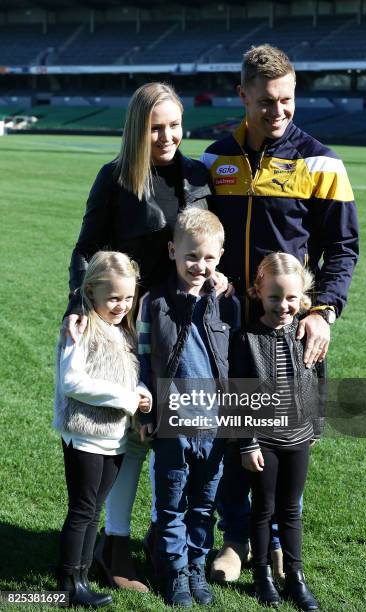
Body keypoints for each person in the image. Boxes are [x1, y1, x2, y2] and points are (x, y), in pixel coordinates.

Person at [201, 44, 359, 581]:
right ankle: (235, 541)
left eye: (287, 100)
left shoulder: (321, 161)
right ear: (242, 95)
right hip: (227, 328)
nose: (278, 112)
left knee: (281, 440)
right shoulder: (214, 158)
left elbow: (342, 249)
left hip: (289, 331)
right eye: (266, 101)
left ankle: (269, 546)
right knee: (232, 437)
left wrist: (323, 311)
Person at [63, 82, 217, 591]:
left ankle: (163, 534)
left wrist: (221, 279)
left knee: (181, 435)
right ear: (137, 129)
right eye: (156, 128)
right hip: (129, 326)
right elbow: (87, 249)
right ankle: (115, 546)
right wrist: (80, 306)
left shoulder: (197, 174)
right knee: (131, 435)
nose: (168, 136)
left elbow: (206, 239)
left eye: (174, 125)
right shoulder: (113, 179)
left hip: (188, 327)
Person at [137, 208, 240, 607]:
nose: (200, 265)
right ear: (171, 252)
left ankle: (196, 564)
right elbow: (144, 359)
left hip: (213, 425)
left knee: (203, 504)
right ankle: (173, 570)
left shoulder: (223, 303)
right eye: (191, 256)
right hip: (173, 422)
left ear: (220, 256)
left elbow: (233, 360)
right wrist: (147, 413)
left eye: (209, 258)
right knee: (171, 501)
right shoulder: (155, 302)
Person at [54, 251, 152, 608]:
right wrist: (125, 398)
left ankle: (80, 575)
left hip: (114, 438)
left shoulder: (122, 331)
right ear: (91, 291)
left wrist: (140, 394)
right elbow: (71, 382)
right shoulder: (80, 326)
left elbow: (126, 376)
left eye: (128, 298)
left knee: (94, 510)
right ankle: (69, 581)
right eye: (113, 298)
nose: (122, 305)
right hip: (85, 437)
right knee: (82, 510)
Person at [231, 252, 324, 610]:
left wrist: (315, 424)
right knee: (264, 508)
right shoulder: (246, 339)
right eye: (274, 297)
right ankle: (262, 575)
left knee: (291, 509)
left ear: (302, 297)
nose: (283, 306)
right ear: (258, 292)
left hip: (298, 437)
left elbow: (319, 379)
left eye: (291, 298)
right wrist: (247, 443)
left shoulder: (306, 333)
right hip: (263, 441)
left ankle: (296, 577)